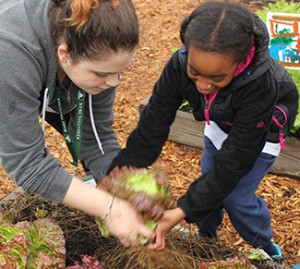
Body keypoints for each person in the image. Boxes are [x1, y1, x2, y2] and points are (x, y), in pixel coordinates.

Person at [109, 0, 299, 261]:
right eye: (195, 73)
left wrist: (181, 210)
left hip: (260, 135)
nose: (203, 86)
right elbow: (154, 122)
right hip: (220, 123)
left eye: (217, 79)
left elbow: (235, 160)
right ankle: (207, 237)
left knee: (235, 198)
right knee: (209, 179)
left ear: (240, 63)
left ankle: (266, 247)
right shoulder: (179, 64)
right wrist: (121, 171)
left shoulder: (261, 85)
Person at [0, 0, 155, 247]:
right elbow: (28, 166)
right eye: (102, 74)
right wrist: (109, 207)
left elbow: (95, 137)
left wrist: (126, 188)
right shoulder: (11, 52)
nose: (113, 82)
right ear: (64, 53)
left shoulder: (94, 51)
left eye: (120, 72)